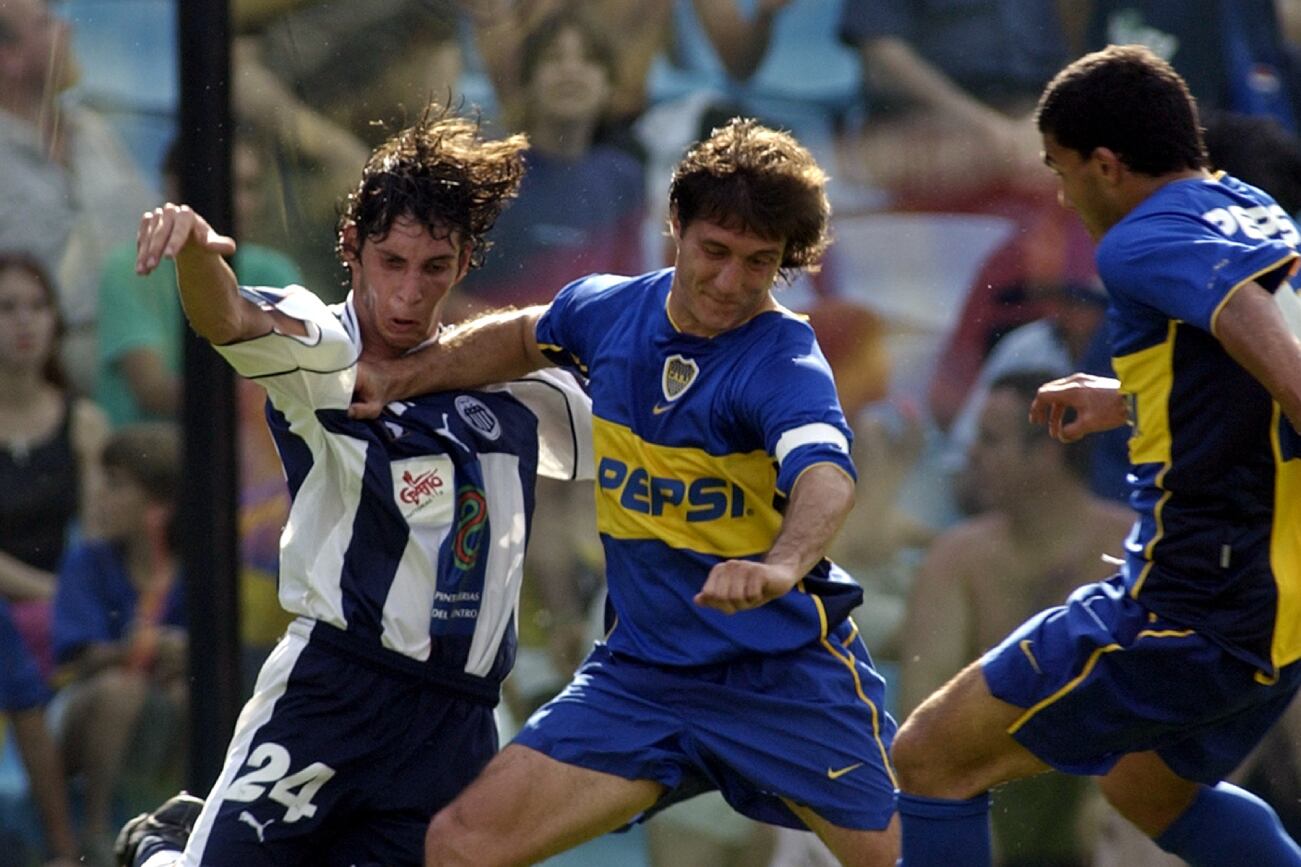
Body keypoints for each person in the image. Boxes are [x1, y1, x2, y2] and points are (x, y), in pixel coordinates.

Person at [352, 117, 899, 866]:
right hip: (642, 678)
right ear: (675, 226)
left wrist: (781, 563)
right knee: (458, 845)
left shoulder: (783, 360)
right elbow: (521, 337)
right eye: (714, 251)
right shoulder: (608, 311)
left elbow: (825, 473)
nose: (732, 281)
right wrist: (402, 377)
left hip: (785, 678)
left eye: (758, 262)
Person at [115, 107, 593, 867]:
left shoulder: (518, 389)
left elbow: (644, 446)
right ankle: (163, 852)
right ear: (352, 250)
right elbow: (231, 317)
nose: (408, 292)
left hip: (455, 725)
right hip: (334, 693)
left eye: (433, 267)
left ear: (465, 261)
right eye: (390, 262)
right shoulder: (326, 349)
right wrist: (196, 255)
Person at [889, 44, 1301, 866]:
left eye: (1058, 167)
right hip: (1280, 614)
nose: (1057, 190)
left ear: (1106, 165)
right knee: (1142, 788)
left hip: (1192, 609)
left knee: (928, 758)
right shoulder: (1250, 207)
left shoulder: (1138, 241)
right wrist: (1129, 399)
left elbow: (1286, 374)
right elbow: (1250, 373)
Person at [901, 371, 1134, 865]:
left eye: (989, 440)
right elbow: (921, 711)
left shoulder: (1130, 547)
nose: (971, 456)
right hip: (993, 787)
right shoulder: (959, 559)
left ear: (1048, 449)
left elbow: (1174, 696)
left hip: (1116, 782)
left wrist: (1107, 800)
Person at [0, 0, 157, 394]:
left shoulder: (93, 130)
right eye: (46, 24)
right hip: (40, 370)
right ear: (9, 56)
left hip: (144, 346)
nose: (67, 30)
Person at [50, 422, 187, 862]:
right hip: (81, 710)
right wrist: (136, 649)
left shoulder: (199, 567)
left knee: (189, 694)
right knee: (119, 692)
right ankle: (96, 835)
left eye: (116, 486)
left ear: (160, 503)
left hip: (163, 704)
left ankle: (182, 822)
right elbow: (81, 660)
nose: (101, 499)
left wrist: (183, 654)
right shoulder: (87, 562)